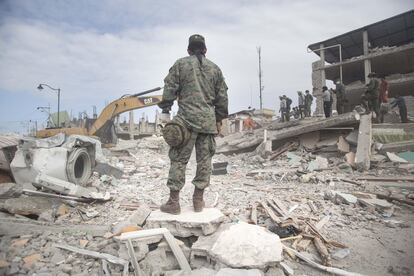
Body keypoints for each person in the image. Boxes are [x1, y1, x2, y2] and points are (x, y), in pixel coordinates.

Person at [157, 34, 228, 214]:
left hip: (185, 121)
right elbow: (222, 97)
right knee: (205, 161)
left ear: (189, 49)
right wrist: (219, 118)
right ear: (205, 50)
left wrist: (166, 107)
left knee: (179, 160)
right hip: (207, 122)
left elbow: (170, 88)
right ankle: (198, 201)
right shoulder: (215, 69)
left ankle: (174, 203)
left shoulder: (181, 64)